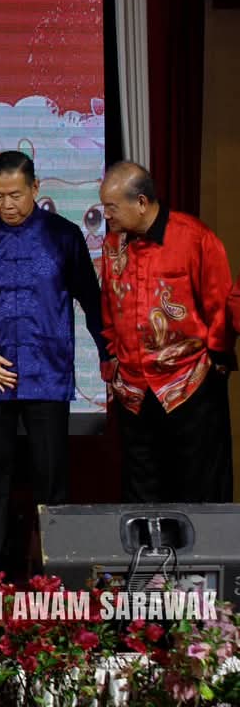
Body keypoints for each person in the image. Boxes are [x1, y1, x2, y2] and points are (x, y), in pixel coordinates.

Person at [0, 151, 109, 561]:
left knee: (52, 480)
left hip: (48, 375)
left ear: (35, 188)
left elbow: (92, 302)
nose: (7, 205)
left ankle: (55, 569)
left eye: (16, 195)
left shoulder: (64, 236)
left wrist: (109, 357)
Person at [98, 161, 234, 503]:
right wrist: (113, 356)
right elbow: (108, 305)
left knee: (196, 486)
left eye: (112, 207)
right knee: (142, 488)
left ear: (141, 202)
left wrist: (216, 361)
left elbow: (220, 304)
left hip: (188, 384)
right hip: (134, 389)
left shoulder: (194, 238)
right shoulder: (112, 243)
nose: (106, 215)